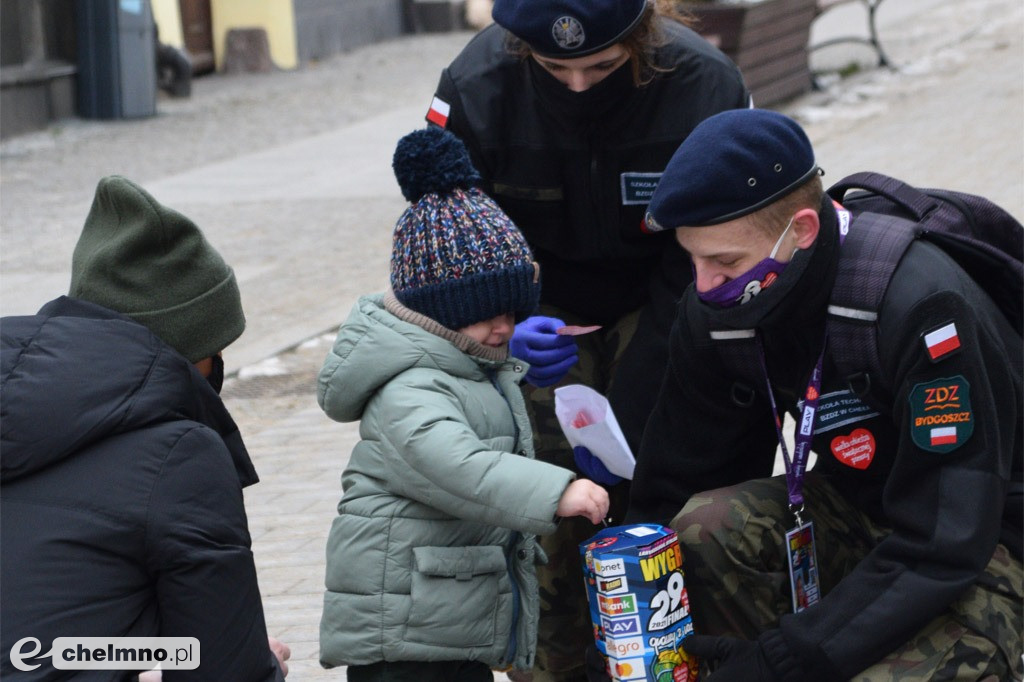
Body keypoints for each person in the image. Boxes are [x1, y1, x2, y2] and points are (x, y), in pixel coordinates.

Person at [627, 109, 1023, 680]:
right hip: (866, 505)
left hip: (989, 538)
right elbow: (678, 477)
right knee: (704, 527)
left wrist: (789, 656)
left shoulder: (920, 305)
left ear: (804, 231)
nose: (704, 284)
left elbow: (945, 537)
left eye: (725, 261)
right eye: (692, 258)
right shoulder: (719, 310)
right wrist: (639, 621)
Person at [426, 1, 751, 676]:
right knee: (541, 501)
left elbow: (718, 249)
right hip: (537, 305)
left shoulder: (704, 84)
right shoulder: (473, 88)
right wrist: (509, 320)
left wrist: (642, 379)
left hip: (669, 292)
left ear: (641, 37)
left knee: (660, 479)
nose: (578, 83)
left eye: (602, 64)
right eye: (555, 67)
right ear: (522, 50)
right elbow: (454, 235)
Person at [317, 127, 610, 680]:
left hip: (442, 617)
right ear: (435, 311)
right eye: (484, 313)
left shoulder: (467, 367)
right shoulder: (409, 387)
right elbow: (460, 467)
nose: (503, 327)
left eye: (513, 310)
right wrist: (557, 490)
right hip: (403, 631)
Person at [0, 176, 290, 681]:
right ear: (183, 347)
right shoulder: (180, 455)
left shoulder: (25, 411)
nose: (217, 366)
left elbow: (51, 641)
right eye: (214, 350)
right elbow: (223, 672)